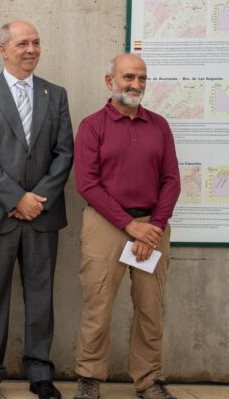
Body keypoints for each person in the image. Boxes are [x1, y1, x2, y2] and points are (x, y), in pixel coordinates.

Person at [0, 21, 74, 399]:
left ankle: (40, 372)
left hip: (43, 215)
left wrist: (36, 199)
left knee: (41, 296)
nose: (31, 49)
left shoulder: (55, 94)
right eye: (22, 43)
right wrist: (16, 199)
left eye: (36, 42)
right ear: (3, 49)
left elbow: (64, 153)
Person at [73, 53, 180, 399]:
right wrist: (129, 226)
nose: (136, 85)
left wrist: (155, 226)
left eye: (142, 78)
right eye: (128, 77)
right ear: (110, 82)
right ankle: (89, 378)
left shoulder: (159, 125)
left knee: (150, 308)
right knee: (98, 306)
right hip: (106, 224)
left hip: (153, 226)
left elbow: (172, 181)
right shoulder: (92, 126)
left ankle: (149, 380)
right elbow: (87, 184)